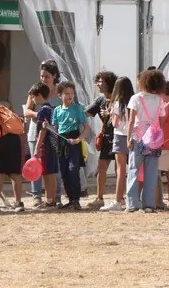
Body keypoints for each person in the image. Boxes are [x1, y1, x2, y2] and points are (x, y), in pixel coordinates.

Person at [126, 69, 168, 213]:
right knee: (151, 172)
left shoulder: (136, 98)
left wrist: (128, 138)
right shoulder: (159, 100)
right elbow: (162, 119)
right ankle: (149, 204)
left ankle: (132, 204)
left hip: (138, 137)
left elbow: (131, 120)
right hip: (153, 139)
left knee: (133, 170)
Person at [47, 81, 88, 211]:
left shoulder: (78, 109)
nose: (70, 95)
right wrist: (47, 126)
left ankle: (76, 199)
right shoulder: (57, 110)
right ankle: (71, 199)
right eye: (66, 93)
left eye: (72, 93)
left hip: (74, 141)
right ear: (60, 95)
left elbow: (86, 128)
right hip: (62, 142)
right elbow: (54, 129)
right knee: (64, 172)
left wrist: (78, 139)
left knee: (73, 169)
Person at [100, 76, 134, 212]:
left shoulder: (117, 104)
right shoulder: (133, 101)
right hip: (132, 136)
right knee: (133, 168)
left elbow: (115, 123)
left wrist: (109, 114)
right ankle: (133, 199)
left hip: (120, 136)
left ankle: (118, 200)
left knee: (120, 170)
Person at [87, 70, 117, 211]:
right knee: (101, 167)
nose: (98, 84)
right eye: (97, 81)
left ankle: (120, 197)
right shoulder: (100, 100)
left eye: (101, 81)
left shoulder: (120, 99)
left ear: (109, 83)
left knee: (120, 168)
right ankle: (100, 198)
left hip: (120, 136)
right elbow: (86, 113)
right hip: (106, 137)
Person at [30, 83, 60, 209]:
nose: (32, 99)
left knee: (46, 173)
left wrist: (37, 147)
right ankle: (52, 199)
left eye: (33, 97)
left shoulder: (43, 110)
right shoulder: (52, 108)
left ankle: (49, 200)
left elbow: (43, 130)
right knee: (52, 172)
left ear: (39, 95)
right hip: (54, 144)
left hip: (45, 144)